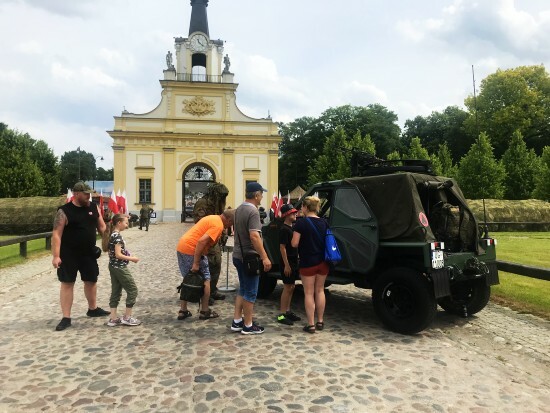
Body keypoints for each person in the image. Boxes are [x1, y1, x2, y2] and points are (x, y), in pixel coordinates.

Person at [51, 181, 110, 331]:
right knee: (67, 283)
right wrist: (56, 256)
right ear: (76, 194)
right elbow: (56, 235)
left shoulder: (93, 207)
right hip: (68, 255)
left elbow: (102, 227)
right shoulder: (64, 211)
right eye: (85, 194)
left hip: (89, 253)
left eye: (89, 193)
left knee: (91, 280)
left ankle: (93, 309)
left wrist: (110, 243)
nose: (88, 196)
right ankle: (66, 317)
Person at [177, 209, 236, 320]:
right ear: (228, 220)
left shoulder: (213, 217)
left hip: (182, 246)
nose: (230, 226)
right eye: (231, 223)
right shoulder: (218, 225)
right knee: (206, 279)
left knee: (188, 278)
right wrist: (196, 263)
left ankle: (183, 310)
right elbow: (201, 241)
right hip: (192, 250)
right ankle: (205, 311)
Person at [231, 182, 272, 335]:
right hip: (249, 258)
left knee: (243, 288)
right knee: (251, 292)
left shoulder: (239, 209)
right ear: (256, 195)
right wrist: (265, 257)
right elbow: (254, 236)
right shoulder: (253, 211)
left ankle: (237, 321)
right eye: (261, 194)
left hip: (238, 255)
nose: (262, 197)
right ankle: (248, 325)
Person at [291, 196, 330, 334]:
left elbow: (294, 243)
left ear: (306, 207)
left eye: (302, 206)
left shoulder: (301, 223)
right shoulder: (324, 222)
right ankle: (320, 321)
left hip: (308, 262)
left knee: (308, 293)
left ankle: (311, 324)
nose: (301, 209)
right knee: (320, 290)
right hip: (323, 262)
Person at [193, 183, 229, 304]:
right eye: (222, 196)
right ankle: (204, 294)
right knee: (206, 268)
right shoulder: (203, 203)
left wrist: (223, 234)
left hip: (216, 240)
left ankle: (212, 290)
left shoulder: (218, 204)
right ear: (216, 194)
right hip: (205, 239)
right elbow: (199, 221)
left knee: (216, 265)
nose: (224, 199)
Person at [106, 214, 141, 327]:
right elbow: (118, 254)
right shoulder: (117, 237)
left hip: (113, 266)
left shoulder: (113, 234)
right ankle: (127, 317)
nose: (127, 225)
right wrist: (132, 259)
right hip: (119, 267)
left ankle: (113, 318)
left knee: (116, 291)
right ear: (119, 223)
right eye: (125, 223)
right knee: (133, 290)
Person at [276, 204, 302, 326]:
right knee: (287, 288)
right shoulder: (284, 229)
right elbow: (282, 248)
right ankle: (281, 315)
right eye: (292, 213)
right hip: (287, 262)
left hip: (293, 261)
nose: (295, 214)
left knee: (291, 287)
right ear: (286, 215)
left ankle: (287, 311)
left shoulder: (292, 228)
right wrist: (286, 265)